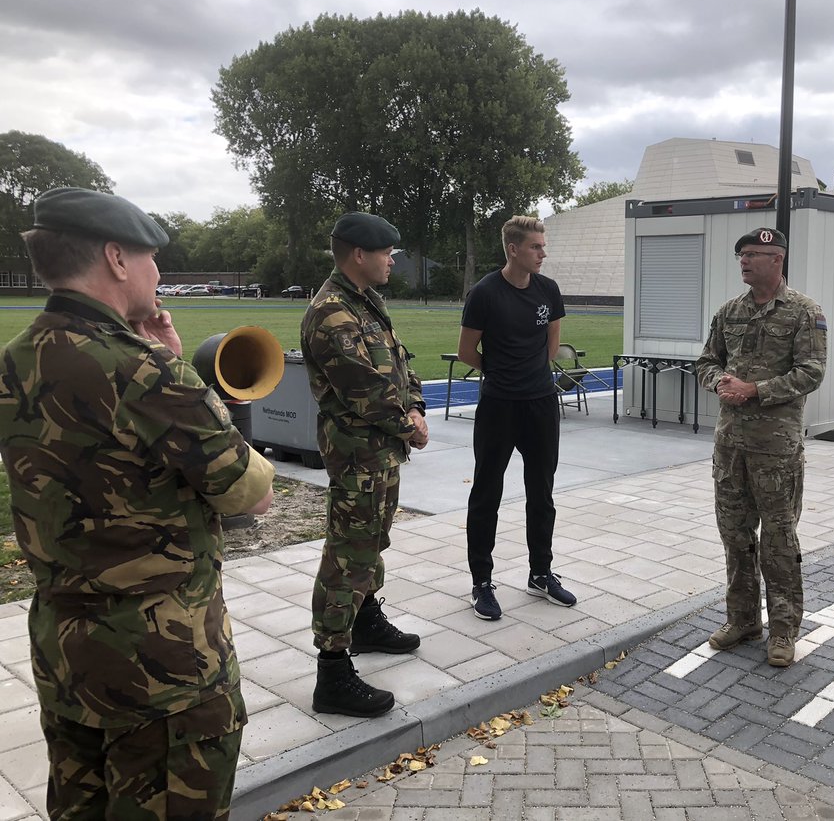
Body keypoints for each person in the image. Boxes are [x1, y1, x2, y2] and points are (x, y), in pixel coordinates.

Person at [0, 187, 275, 820]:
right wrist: (183, 379)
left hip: (65, 652)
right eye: (153, 259)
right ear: (117, 259)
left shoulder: (14, 361)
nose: (159, 274)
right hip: (163, 670)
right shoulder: (144, 372)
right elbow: (251, 492)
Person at [301, 212, 429, 718]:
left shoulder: (365, 304)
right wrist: (409, 425)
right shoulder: (333, 313)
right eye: (386, 252)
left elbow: (400, 364)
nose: (391, 259)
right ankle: (332, 672)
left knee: (371, 541)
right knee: (347, 553)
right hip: (358, 453)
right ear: (359, 254)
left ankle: (365, 622)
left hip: (379, 452)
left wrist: (415, 405)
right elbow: (364, 389)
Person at [694, 227, 827, 667]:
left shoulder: (804, 312)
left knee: (778, 540)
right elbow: (706, 361)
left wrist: (756, 389)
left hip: (776, 449)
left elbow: (811, 372)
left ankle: (784, 630)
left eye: (753, 254)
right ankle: (743, 619)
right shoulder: (729, 311)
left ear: (778, 259)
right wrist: (720, 383)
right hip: (730, 445)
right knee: (735, 536)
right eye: (741, 255)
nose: (744, 262)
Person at [457, 215, 575, 621]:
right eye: (535, 247)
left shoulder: (548, 291)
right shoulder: (485, 293)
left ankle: (540, 573)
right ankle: (481, 582)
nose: (543, 253)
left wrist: (530, 377)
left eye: (543, 246)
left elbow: (550, 346)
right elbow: (467, 352)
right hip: (498, 406)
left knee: (541, 492)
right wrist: (504, 372)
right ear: (513, 249)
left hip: (540, 404)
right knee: (487, 492)